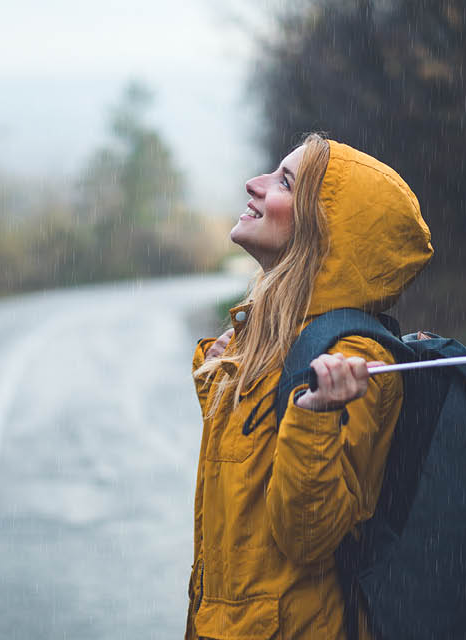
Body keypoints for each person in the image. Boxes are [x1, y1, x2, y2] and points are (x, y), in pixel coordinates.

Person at [186, 133, 433, 639]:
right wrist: (220, 375)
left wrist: (318, 414)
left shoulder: (353, 361)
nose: (253, 185)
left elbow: (306, 535)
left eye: (284, 181)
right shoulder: (265, 334)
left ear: (326, 231)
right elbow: (246, 475)